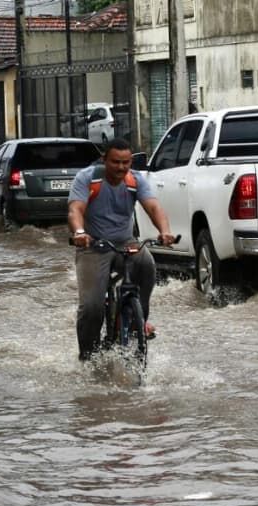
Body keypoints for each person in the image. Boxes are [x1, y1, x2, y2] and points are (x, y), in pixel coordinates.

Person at [68, 139, 177, 361]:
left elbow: (153, 207)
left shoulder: (135, 180)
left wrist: (165, 231)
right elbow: (75, 210)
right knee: (91, 308)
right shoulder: (88, 178)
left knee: (147, 265)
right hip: (93, 246)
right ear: (104, 160)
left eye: (126, 162)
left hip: (126, 242)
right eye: (116, 162)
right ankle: (87, 357)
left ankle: (139, 320)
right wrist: (79, 232)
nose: (121, 167)